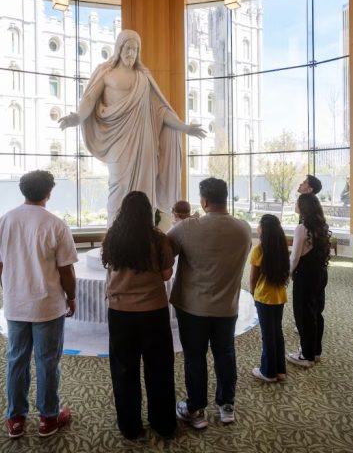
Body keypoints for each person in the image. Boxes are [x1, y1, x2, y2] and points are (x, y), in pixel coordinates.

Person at [58, 30, 206, 224]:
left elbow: (161, 110)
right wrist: (77, 117)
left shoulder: (143, 78)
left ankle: (143, 237)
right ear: (119, 49)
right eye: (127, 48)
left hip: (143, 141)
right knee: (117, 186)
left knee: (144, 193)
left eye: (135, 49)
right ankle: (114, 235)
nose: (131, 53)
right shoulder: (106, 72)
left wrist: (184, 128)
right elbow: (89, 99)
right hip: (117, 139)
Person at [0, 170, 78, 439]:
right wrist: (71, 297)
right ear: (49, 192)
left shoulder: (5, 221)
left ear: (22, 191)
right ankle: (49, 419)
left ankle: (15, 418)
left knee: (16, 359)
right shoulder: (56, 225)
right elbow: (66, 271)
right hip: (48, 305)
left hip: (16, 304)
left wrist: (11, 290)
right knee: (48, 361)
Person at [167, 177, 252, 429]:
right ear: (225, 198)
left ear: (203, 201)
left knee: (195, 356)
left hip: (193, 307)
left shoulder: (186, 228)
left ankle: (196, 409)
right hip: (227, 307)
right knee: (225, 353)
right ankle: (227, 405)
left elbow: (162, 254)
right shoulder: (243, 228)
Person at [102, 191, 177, 440]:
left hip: (120, 312)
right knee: (160, 368)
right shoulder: (158, 239)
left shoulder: (113, 237)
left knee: (124, 370)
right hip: (153, 311)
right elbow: (166, 275)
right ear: (149, 213)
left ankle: (130, 427)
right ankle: (163, 423)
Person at [287, 193, 331, 368]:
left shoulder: (302, 229)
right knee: (316, 313)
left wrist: (289, 274)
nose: (295, 204)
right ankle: (315, 352)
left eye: (297, 202)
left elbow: (295, 258)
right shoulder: (321, 226)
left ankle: (306, 355)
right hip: (320, 273)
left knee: (303, 314)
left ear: (303, 207)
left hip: (305, 275)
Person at [248, 214, 290, 382]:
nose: (257, 227)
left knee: (268, 335)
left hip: (264, 297)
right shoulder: (282, 246)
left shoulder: (259, 249)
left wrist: (252, 292)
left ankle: (268, 372)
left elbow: (253, 277)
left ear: (264, 230)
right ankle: (280, 370)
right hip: (279, 296)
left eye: (259, 225)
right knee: (277, 332)